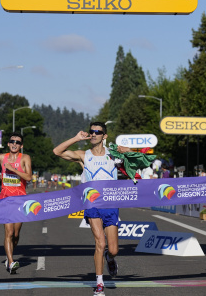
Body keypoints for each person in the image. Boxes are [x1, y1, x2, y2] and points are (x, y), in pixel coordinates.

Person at [53, 122, 127, 296]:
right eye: (91, 132)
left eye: (97, 132)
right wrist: (76, 138)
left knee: (113, 249)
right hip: (92, 204)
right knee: (100, 243)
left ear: (104, 136)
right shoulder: (83, 155)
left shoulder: (112, 153)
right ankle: (99, 283)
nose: (93, 134)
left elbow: (135, 155)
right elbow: (57, 152)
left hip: (110, 204)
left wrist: (122, 148)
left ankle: (110, 258)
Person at [0, 132, 32, 274]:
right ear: (8, 144)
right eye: (12, 141)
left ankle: (10, 257)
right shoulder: (2, 157)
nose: (15, 144)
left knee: (15, 234)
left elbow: (29, 176)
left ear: (21, 146)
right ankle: (11, 260)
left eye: (18, 142)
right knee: (8, 232)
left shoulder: (25, 158)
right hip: (6, 198)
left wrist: (13, 170)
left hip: (20, 199)